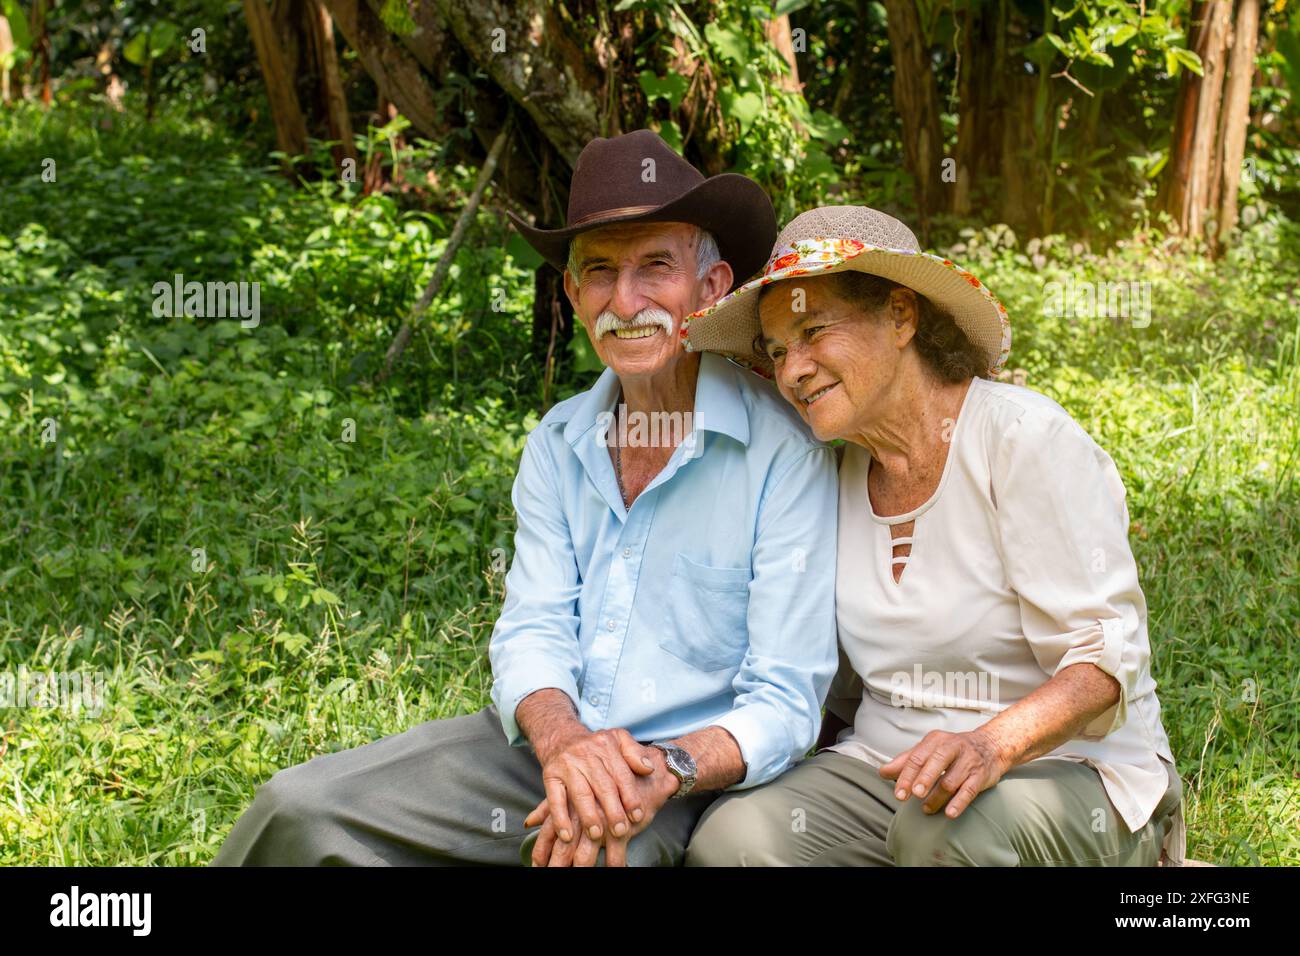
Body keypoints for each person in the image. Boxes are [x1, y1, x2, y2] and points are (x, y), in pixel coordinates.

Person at [211, 131, 839, 867]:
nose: (626, 300)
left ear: (709, 289)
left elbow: (787, 700)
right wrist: (565, 742)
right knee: (299, 809)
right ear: (573, 294)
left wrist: (660, 772)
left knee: (591, 859)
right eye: (600, 272)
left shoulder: (782, 453)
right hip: (546, 747)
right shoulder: (559, 439)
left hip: (680, 780)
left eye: (655, 267)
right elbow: (533, 628)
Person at [682, 204, 1184, 866]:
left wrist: (989, 744)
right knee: (731, 841)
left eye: (813, 331)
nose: (792, 370)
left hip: (1067, 774)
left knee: (944, 835)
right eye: (777, 351)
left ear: (901, 316)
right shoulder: (829, 468)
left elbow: (1102, 662)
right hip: (892, 773)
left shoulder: (1023, 442)